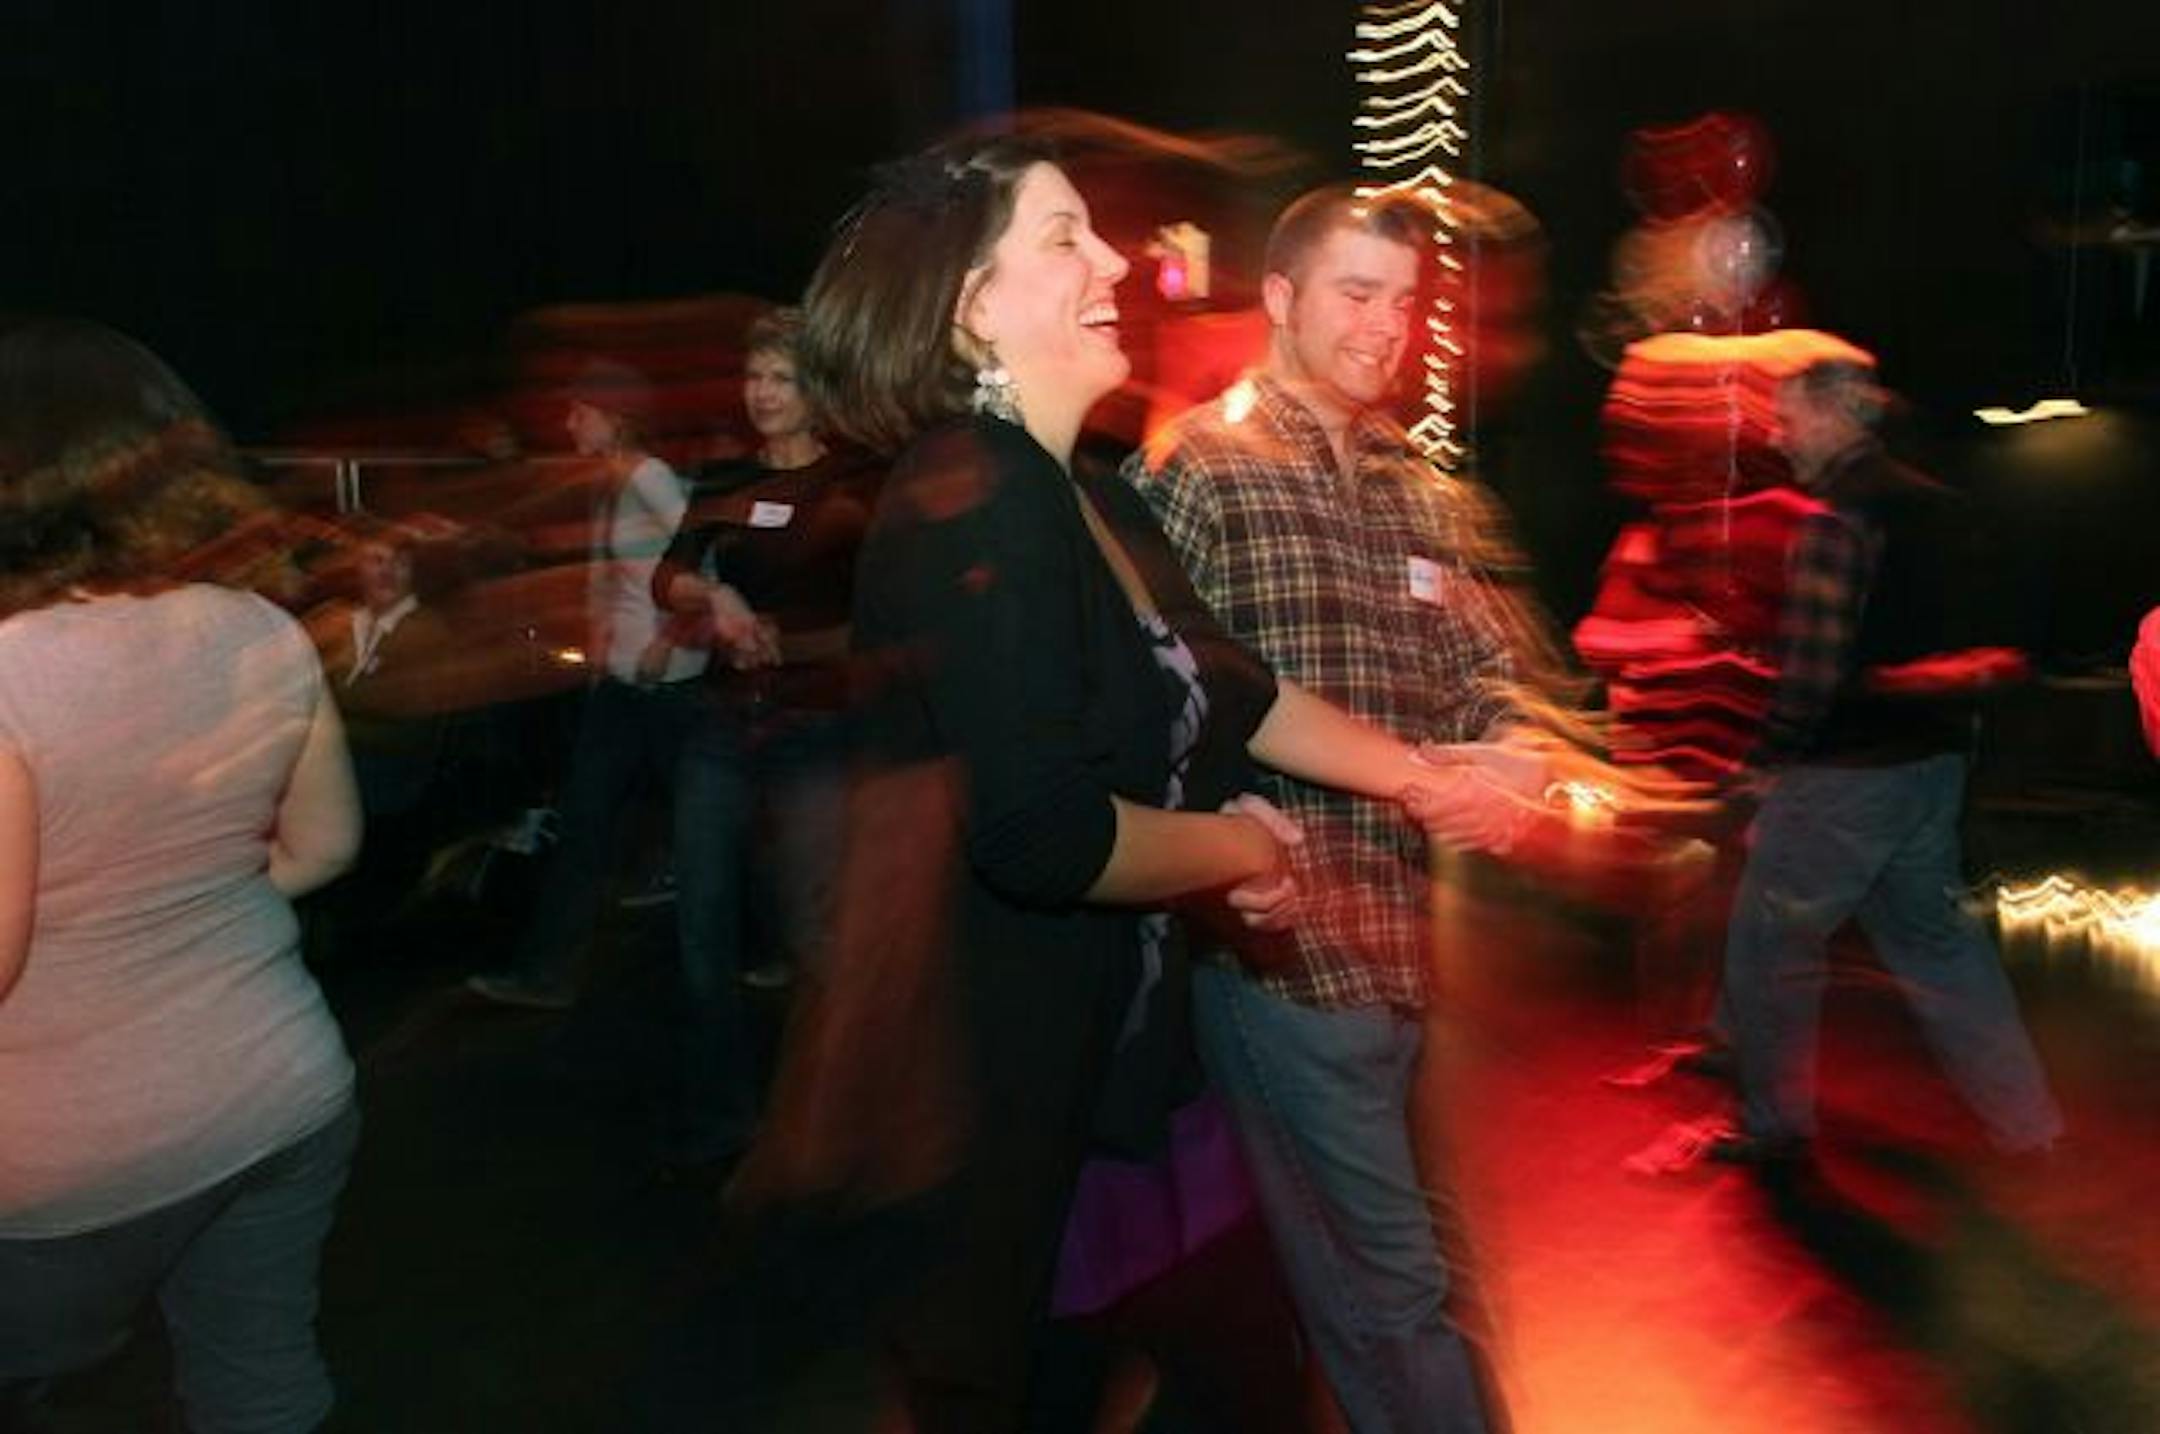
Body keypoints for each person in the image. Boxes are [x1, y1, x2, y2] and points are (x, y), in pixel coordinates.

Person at [785, 136, 1517, 1432]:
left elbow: (1239, 691)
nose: (1114, 257)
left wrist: (1424, 782)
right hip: (1005, 1095)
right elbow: (1045, 836)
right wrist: (1243, 853)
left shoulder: (1091, 497)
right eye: (1065, 237)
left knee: (1219, 1362)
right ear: (972, 309)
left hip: (1116, 1069)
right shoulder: (975, 498)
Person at [1124, 185, 1565, 1434]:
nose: (1388, 326)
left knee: (1415, 1275)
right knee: (1393, 1292)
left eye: (1406, 302)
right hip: (1280, 954)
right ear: (1280, 298)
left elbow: (1491, 674)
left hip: (1411, 959)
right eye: (1356, 294)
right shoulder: (1196, 470)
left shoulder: (1418, 486)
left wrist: (1518, 759)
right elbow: (1165, 716)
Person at [0, 319, 363, 1432]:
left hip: (67, 1164)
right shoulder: (259, 627)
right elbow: (322, 847)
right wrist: (164, 906)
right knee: (258, 1377)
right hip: (281, 1096)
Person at [1707, 358, 2063, 1164]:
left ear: (1838, 418)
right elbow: (1992, 646)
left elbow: (1813, 668)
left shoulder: (1836, 516)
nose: (1778, 433)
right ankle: (2030, 1123)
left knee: (1768, 946)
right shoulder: (1937, 506)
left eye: (1790, 417)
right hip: (1933, 767)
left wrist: (1767, 762)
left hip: (1847, 774)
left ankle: (1772, 1124)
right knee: (1942, 950)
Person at [645, 307, 881, 1177]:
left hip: (818, 723)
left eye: (780, 377)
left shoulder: (859, 482)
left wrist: (791, 640)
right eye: (754, 377)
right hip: (721, 722)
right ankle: (725, 1118)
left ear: (818, 386)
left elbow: (883, 626)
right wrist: (712, 602)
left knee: (816, 934)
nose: (762, 393)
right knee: (702, 927)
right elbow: (666, 572)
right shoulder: (728, 471)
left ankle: (834, 1114)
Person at [467, 359, 705, 1008]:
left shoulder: (651, 477)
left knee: (705, 829)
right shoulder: (610, 480)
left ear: (615, 417)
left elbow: (705, 552)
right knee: (585, 826)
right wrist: (600, 640)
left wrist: (668, 639)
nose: (569, 421)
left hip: (669, 686)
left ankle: (766, 952)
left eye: (581, 410)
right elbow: (615, 575)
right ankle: (547, 975)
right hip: (621, 687)